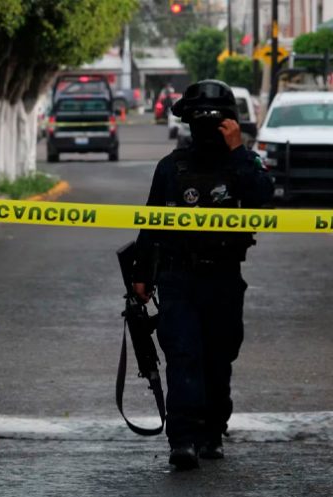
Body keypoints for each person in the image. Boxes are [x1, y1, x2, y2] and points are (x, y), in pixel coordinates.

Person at [131, 80, 274, 470]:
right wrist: (141, 275)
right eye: (202, 121)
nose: (209, 129)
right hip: (178, 278)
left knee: (219, 357)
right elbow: (151, 224)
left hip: (225, 278)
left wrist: (238, 150)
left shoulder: (244, 163)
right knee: (183, 355)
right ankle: (183, 440)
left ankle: (212, 432)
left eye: (218, 121)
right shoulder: (171, 168)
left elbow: (262, 195)